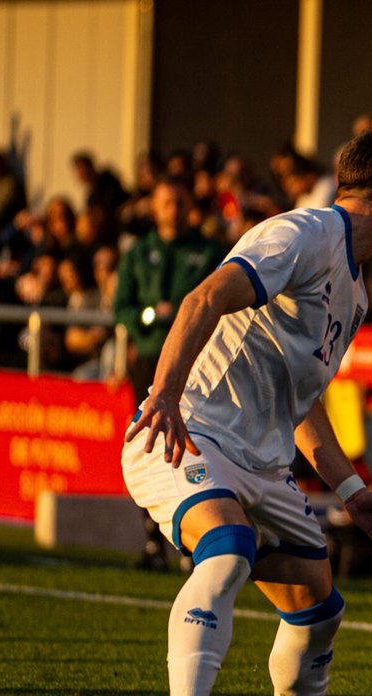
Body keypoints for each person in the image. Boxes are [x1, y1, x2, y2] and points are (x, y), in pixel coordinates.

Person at [121, 129, 372, 696]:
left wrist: (351, 489)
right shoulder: (304, 234)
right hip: (191, 431)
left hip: (261, 463)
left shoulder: (355, 293)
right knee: (227, 550)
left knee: (317, 609)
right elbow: (205, 298)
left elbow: (305, 404)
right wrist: (166, 395)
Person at [113, 180, 226, 570]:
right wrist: (148, 317)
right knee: (150, 447)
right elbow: (121, 308)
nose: (173, 209)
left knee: (197, 444)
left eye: (180, 201)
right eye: (166, 202)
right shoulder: (139, 253)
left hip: (196, 362)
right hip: (148, 360)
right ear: (155, 207)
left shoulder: (209, 250)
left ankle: (196, 541)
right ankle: (152, 540)